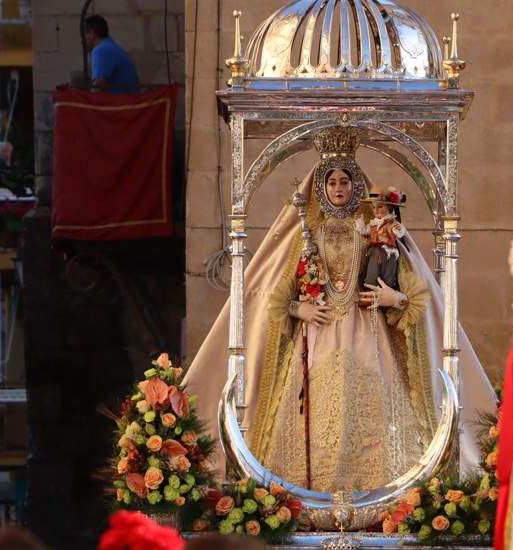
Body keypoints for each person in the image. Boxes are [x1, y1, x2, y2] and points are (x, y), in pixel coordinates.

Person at [183, 127, 496, 495]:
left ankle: (381, 499)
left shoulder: (377, 230)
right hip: (317, 336)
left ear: (357, 185)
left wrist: (392, 299)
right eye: (330, 182)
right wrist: (300, 309)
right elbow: (279, 298)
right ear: (319, 187)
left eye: (344, 181)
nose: (338, 189)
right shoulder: (305, 233)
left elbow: (414, 292)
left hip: (371, 336)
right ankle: (303, 500)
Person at [358, 185, 407, 290]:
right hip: (374, 252)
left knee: (387, 276)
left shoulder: (391, 222)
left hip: (389, 252)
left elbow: (400, 232)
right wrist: (360, 224)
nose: (376, 211)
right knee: (372, 274)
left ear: (389, 207)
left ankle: (387, 294)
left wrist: (396, 228)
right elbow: (365, 231)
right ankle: (371, 295)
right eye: (374, 207)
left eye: (380, 207)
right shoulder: (373, 223)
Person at [83, 15, 140, 93]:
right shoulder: (110, 45)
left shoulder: (101, 50)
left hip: (122, 102)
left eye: (85, 34)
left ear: (92, 33)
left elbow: (97, 87)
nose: (84, 39)